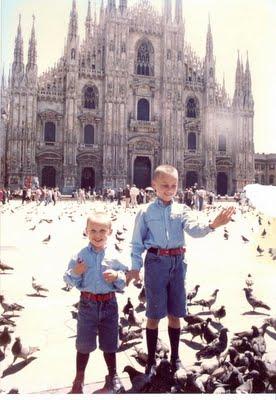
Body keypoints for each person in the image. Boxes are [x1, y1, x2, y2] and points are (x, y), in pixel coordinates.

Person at [127, 164, 235, 376]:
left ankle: (175, 357)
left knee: (176, 314)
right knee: (153, 315)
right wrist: (134, 268)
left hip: (177, 262)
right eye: (164, 185)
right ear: (154, 186)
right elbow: (136, 243)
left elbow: (195, 230)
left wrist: (213, 225)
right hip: (156, 262)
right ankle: (150, 360)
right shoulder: (145, 212)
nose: (169, 189)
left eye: (173, 186)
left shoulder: (182, 210)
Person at [64, 212, 128, 394]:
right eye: (93, 230)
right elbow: (68, 280)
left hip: (109, 304)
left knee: (110, 343)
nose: (97, 235)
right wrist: (76, 271)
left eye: (102, 231)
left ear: (110, 232)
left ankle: (113, 375)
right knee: (83, 344)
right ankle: (79, 378)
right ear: (86, 231)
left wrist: (117, 276)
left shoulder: (115, 255)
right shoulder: (80, 255)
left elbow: (124, 280)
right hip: (87, 304)